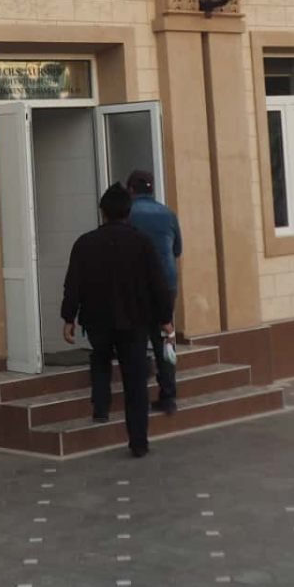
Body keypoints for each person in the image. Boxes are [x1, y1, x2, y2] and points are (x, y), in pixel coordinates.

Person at [61, 182, 175, 458]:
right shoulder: (142, 243)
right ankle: (139, 442)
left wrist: (69, 318)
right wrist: (165, 319)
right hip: (134, 323)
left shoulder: (85, 244)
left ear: (103, 212)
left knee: (100, 359)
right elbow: (158, 285)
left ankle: (101, 408)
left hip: (97, 321)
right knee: (135, 381)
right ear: (128, 212)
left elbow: (73, 284)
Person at [124, 169, 183, 414]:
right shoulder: (168, 214)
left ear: (131, 190)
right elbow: (177, 250)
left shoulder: (127, 215)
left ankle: (137, 397)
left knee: (136, 341)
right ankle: (168, 396)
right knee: (165, 340)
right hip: (166, 287)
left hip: (137, 288)